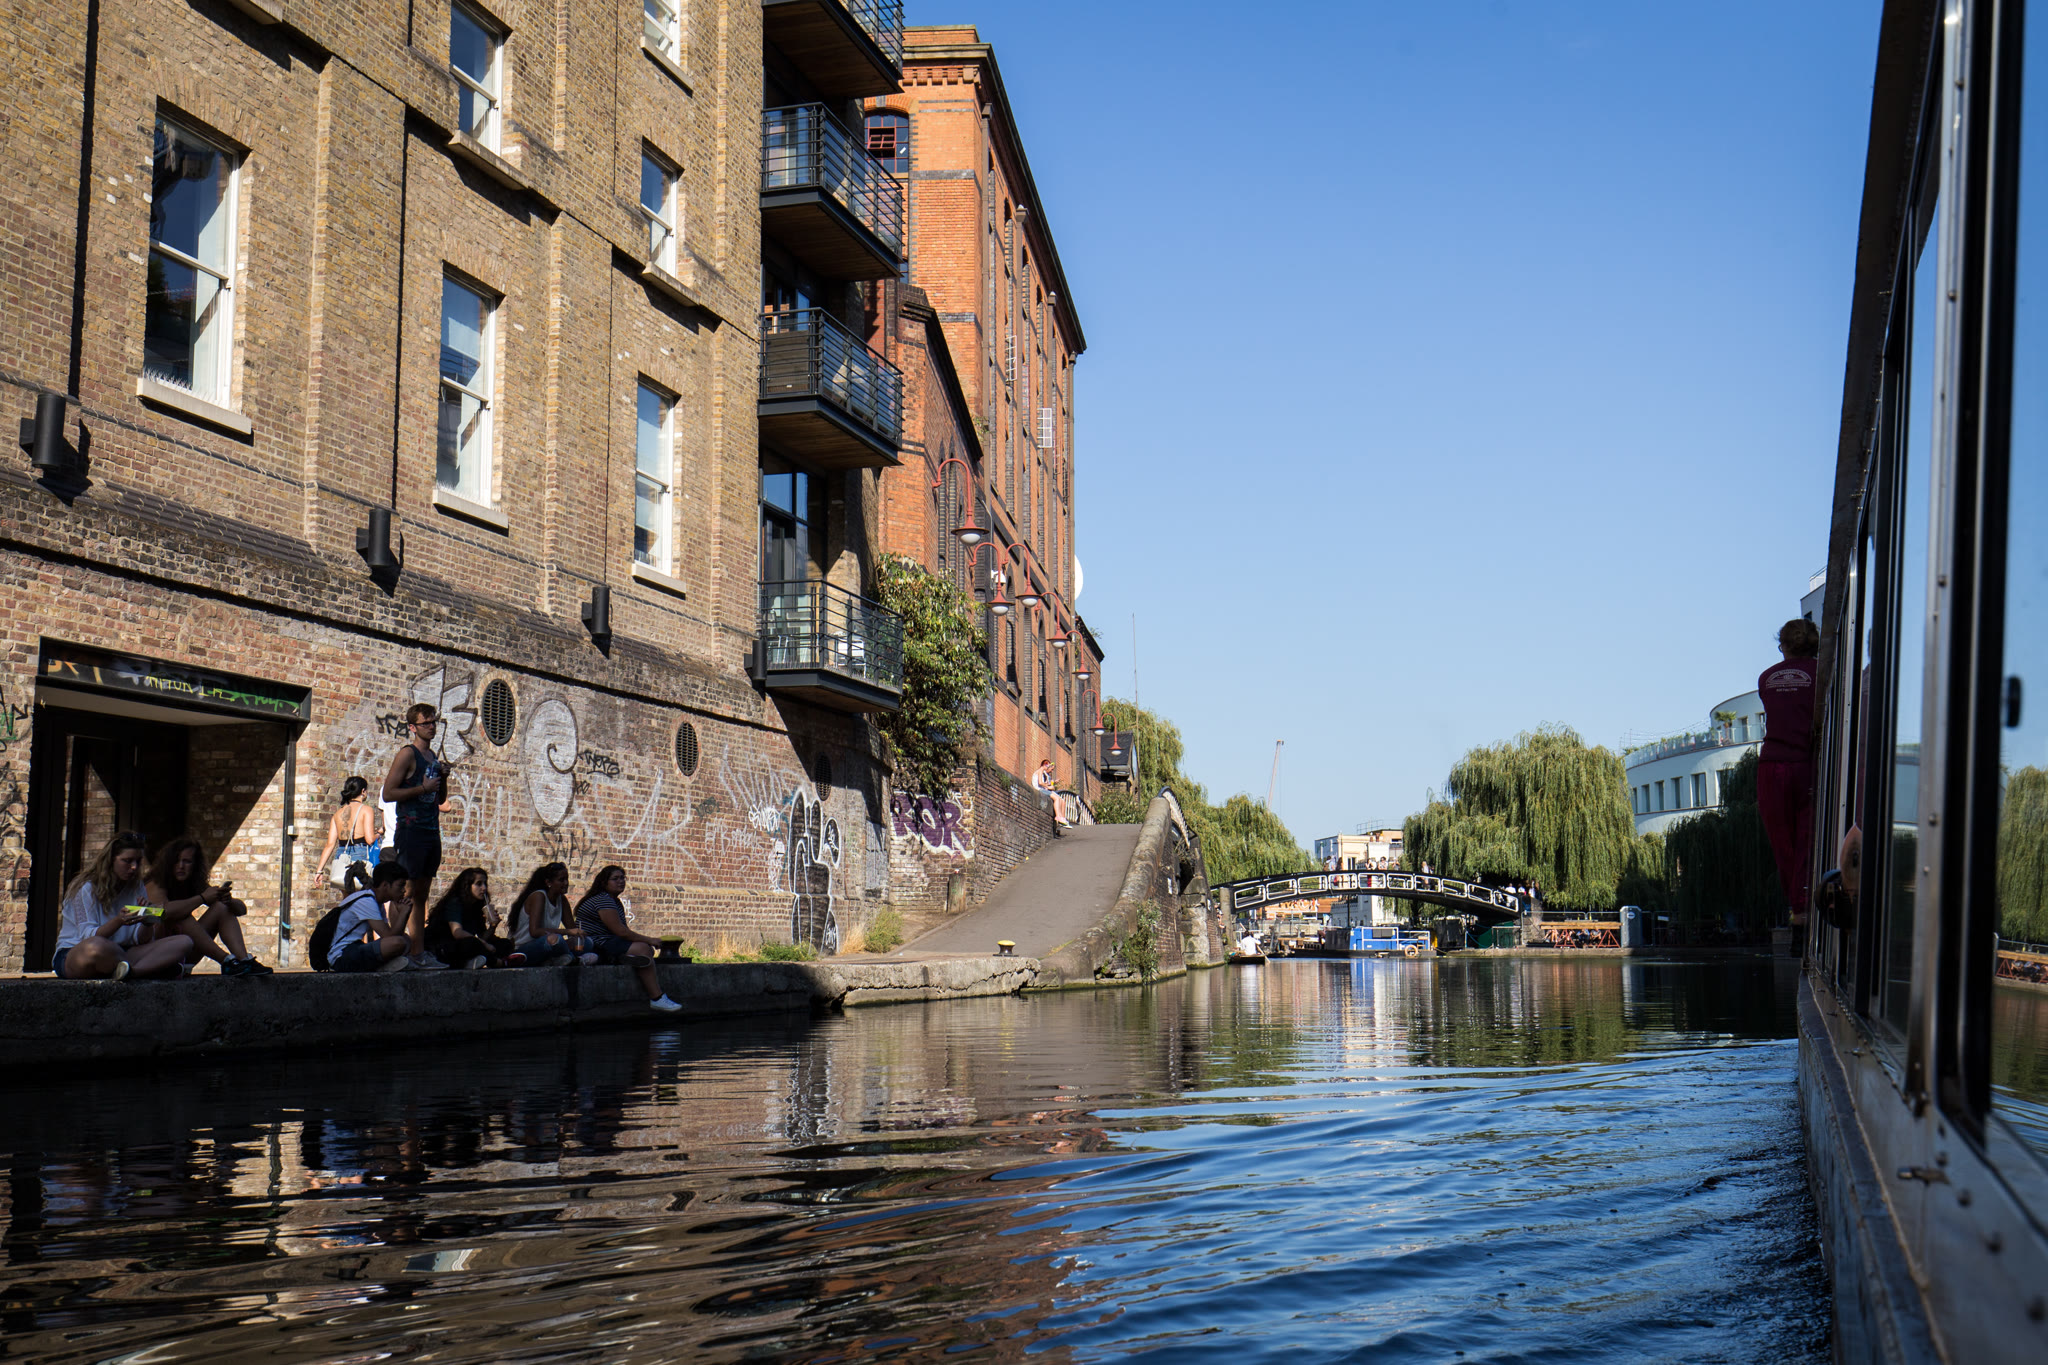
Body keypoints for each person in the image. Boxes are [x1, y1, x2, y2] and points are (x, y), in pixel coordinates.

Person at [52, 832, 194, 980]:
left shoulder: (136, 886)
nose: (134, 867)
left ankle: (133, 972)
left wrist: (147, 922)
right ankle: (152, 968)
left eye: (138, 861)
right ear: (111, 860)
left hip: (123, 952)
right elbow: (88, 937)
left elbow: (140, 940)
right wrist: (119, 921)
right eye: (127, 861)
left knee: (184, 942)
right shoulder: (86, 888)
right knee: (96, 947)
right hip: (79, 954)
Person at [1758, 619, 1821, 926]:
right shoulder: (1823, 674)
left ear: (1783, 645)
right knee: (1808, 838)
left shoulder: (1766, 678)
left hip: (1772, 765)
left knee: (1783, 842)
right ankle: (1805, 903)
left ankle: (1797, 908)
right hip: (1807, 763)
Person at [143, 836, 274, 976]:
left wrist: (228, 900)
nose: (181, 866)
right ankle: (226, 961)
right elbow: (160, 912)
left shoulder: (193, 883)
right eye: (176, 861)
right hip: (157, 954)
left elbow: (241, 910)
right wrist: (202, 898)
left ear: (195, 865)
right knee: (181, 915)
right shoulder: (155, 884)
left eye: (187, 861)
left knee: (221, 907)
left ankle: (244, 961)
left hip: (184, 951)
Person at [382, 702, 450, 968]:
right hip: (411, 832)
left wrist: (443, 778)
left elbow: (439, 799)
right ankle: (398, 948)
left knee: (422, 894)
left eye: (434, 722)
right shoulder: (407, 754)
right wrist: (422, 788)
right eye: (426, 723)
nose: (431, 727)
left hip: (431, 831)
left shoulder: (432, 756)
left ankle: (418, 952)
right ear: (412, 727)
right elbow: (389, 793)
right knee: (406, 892)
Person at [575, 866, 681, 1012]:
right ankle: (657, 998)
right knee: (644, 949)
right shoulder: (603, 900)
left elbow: (624, 932)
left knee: (645, 950)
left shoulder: (615, 901)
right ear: (604, 883)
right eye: (615, 879)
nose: (621, 881)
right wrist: (649, 940)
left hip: (608, 942)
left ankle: (620, 958)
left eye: (622, 878)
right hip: (595, 943)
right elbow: (621, 932)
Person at [326, 861, 414, 972]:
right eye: (400, 885)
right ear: (385, 885)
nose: (404, 890)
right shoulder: (367, 901)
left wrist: (403, 913)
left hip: (354, 949)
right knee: (398, 943)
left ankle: (383, 965)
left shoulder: (377, 902)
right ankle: (381, 966)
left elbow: (393, 935)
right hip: (341, 957)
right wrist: (404, 913)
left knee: (406, 940)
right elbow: (389, 936)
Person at [425, 868, 509, 969]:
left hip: (464, 946)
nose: (484, 888)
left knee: (504, 944)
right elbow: (457, 932)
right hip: (444, 947)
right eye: (479, 884)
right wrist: (484, 944)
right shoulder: (455, 903)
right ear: (467, 886)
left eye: (485, 883)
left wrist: (492, 926)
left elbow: (482, 936)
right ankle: (498, 962)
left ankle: (476, 960)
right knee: (473, 943)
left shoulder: (476, 907)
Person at [510, 862, 590, 966]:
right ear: (548, 882)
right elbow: (534, 931)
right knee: (556, 939)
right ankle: (573, 959)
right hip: (527, 948)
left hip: (551, 947)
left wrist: (577, 935)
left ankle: (559, 959)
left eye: (567, 879)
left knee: (587, 942)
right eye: (561, 880)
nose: (566, 883)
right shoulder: (539, 896)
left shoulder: (562, 900)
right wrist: (568, 932)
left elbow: (572, 929)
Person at [318, 776, 382, 891]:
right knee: (361, 893)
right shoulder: (366, 810)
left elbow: (330, 844)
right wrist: (379, 833)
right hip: (360, 853)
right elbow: (369, 839)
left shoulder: (338, 813)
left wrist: (319, 870)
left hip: (341, 854)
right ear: (363, 791)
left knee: (346, 894)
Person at [1032, 759, 1066, 833]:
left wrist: (1051, 784)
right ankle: (1058, 816)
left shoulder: (1042, 772)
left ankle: (1061, 818)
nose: (1048, 768)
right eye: (1048, 766)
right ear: (1045, 765)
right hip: (1039, 789)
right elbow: (1040, 783)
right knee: (1056, 798)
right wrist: (1048, 787)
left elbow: (1042, 783)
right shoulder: (1040, 770)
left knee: (1059, 799)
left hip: (1041, 789)